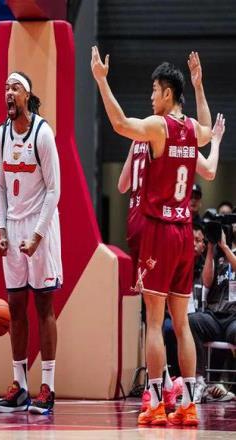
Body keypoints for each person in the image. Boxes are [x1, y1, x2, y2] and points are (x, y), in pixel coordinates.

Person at [92, 48, 213, 425]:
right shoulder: (192, 131)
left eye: (154, 90)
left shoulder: (159, 127)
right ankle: (188, 403)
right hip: (184, 231)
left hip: (159, 232)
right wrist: (200, 87)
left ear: (167, 93)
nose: (150, 97)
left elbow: (119, 123)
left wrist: (101, 81)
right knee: (183, 323)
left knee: (155, 322)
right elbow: (208, 130)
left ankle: (157, 402)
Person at [117, 111, 225, 410]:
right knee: (170, 319)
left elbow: (122, 186)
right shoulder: (172, 138)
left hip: (137, 225)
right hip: (162, 226)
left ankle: (160, 386)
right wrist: (215, 140)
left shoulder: (139, 137)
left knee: (152, 316)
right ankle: (168, 390)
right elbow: (208, 169)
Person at [0, 72, 61, 415]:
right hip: (14, 226)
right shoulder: (2, 135)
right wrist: (1, 230)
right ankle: (19, 385)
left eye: (15, 87)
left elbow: (54, 190)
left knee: (43, 305)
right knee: (15, 305)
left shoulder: (43, 134)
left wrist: (37, 236)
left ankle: (47, 386)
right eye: (6, 87)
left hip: (40, 226)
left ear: (27, 96)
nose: (8, 92)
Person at [189, 225, 236, 402]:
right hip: (215, 315)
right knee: (192, 321)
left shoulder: (226, 251)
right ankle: (199, 381)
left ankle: (231, 387)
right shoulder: (217, 255)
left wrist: (224, 247)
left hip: (234, 318)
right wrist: (210, 248)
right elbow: (207, 282)